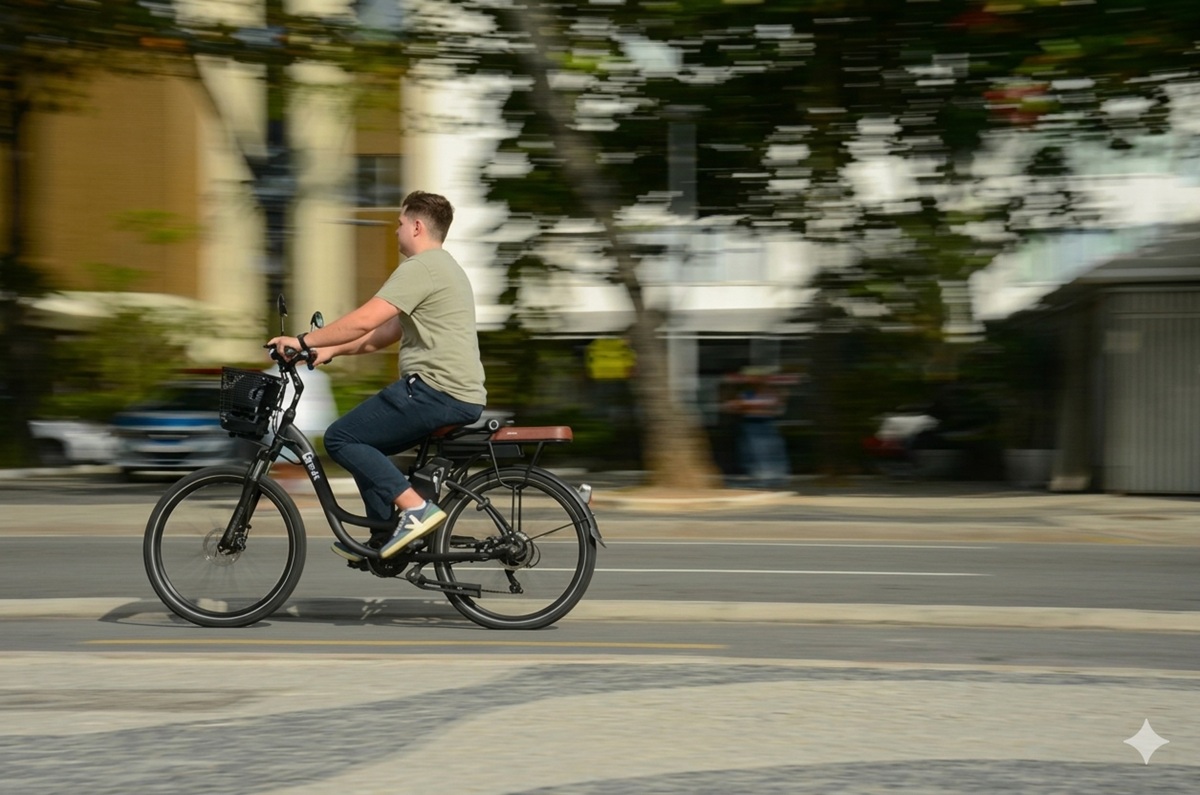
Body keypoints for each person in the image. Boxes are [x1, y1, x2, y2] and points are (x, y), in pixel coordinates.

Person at [268, 191, 486, 560]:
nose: (395, 231)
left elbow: (365, 319)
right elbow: (383, 333)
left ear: (417, 226)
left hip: (436, 391)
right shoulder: (445, 269)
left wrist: (301, 340)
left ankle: (415, 510)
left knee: (341, 438)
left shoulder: (422, 268)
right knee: (368, 446)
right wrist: (329, 349)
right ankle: (384, 538)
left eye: (399, 224)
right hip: (454, 393)